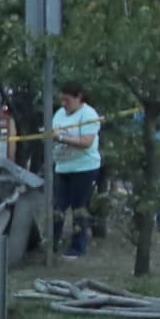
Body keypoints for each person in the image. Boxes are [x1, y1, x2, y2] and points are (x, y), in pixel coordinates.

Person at [48, 86, 103, 257]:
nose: (64, 104)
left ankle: (77, 247)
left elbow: (86, 141)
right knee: (58, 206)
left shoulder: (89, 115)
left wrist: (62, 138)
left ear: (79, 97)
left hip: (84, 168)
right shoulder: (59, 114)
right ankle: (51, 244)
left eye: (67, 100)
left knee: (79, 208)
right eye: (62, 100)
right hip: (62, 167)